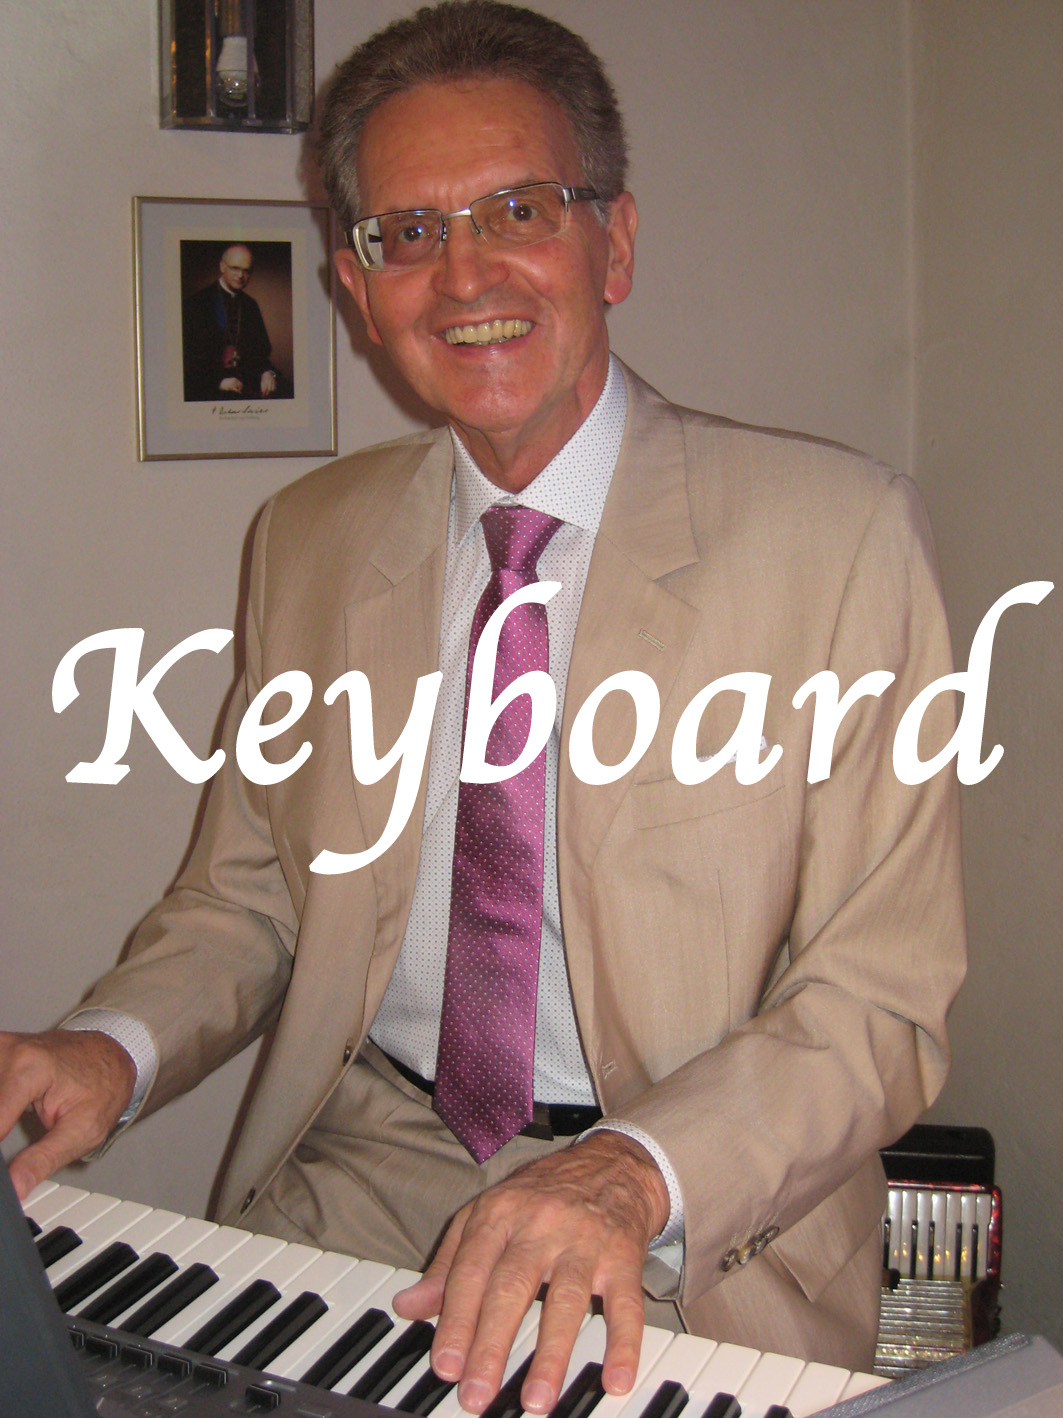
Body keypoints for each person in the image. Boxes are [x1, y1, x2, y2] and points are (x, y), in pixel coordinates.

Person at [0, 2, 966, 1412]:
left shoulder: (839, 537)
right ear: (354, 285)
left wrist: (626, 1170)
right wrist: (110, 1045)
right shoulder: (306, 540)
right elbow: (249, 896)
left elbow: (876, 998)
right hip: (360, 1176)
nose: (463, 276)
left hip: (684, 1212)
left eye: (517, 209)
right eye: (406, 232)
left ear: (612, 242)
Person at [181, 243, 280, 401]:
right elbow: (188, 359)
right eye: (235, 268)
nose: (240, 276)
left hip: (246, 383)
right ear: (222, 267)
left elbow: (260, 353)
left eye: (246, 270)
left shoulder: (250, 305)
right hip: (208, 386)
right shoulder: (197, 303)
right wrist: (218, 382)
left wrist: (267, 372)